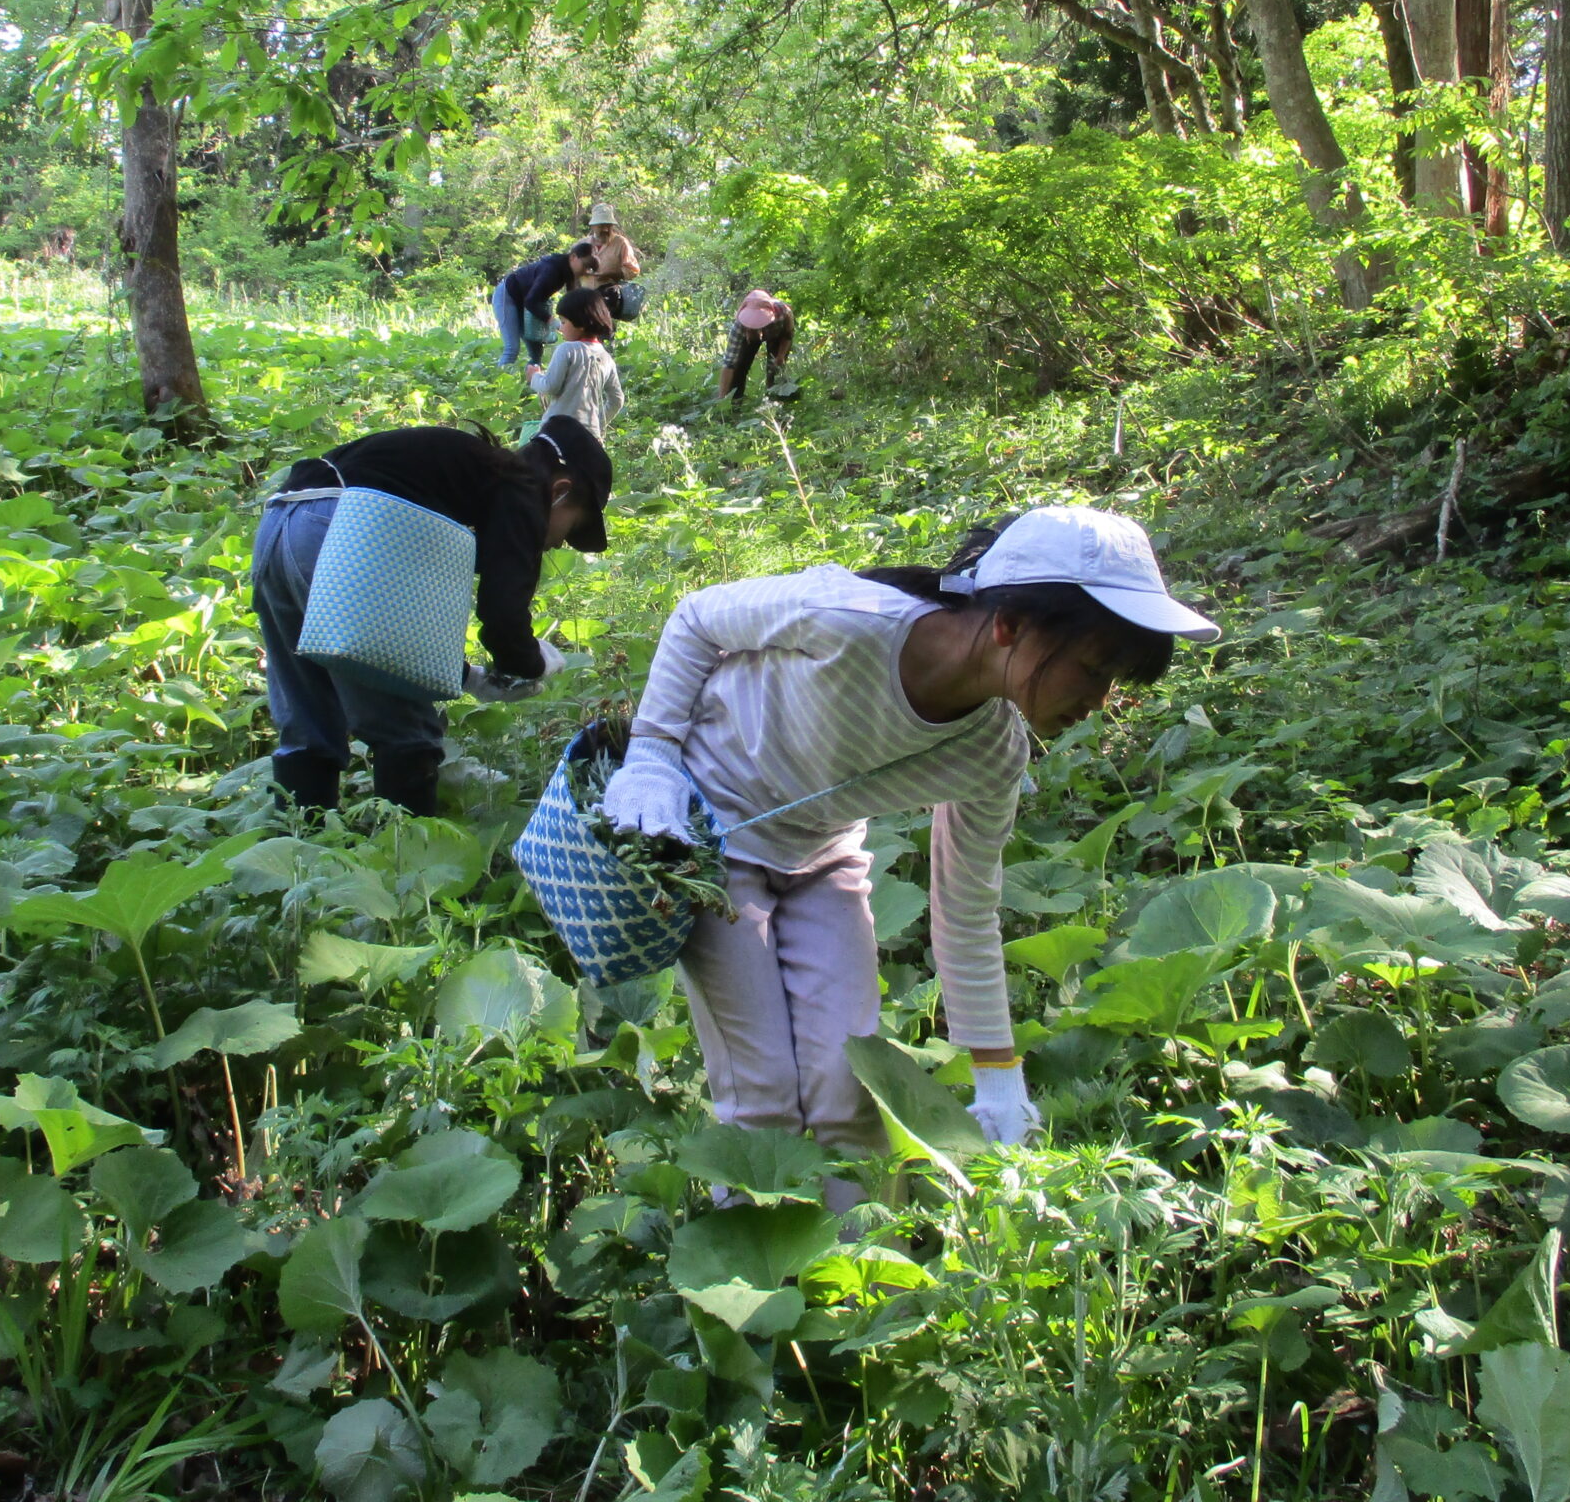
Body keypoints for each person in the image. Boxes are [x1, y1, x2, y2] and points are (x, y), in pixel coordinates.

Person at [598, 507, 1217, 1155]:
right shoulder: (850, 621)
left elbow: (968, 910)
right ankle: (754, 1248)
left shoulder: (992, 755)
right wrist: (651, 758)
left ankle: (854, 1250)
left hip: (821, 852)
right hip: (708, 829)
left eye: (1113, 682)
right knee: (763, 1094)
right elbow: (697, 617)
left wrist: (999, 1074)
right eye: (1092, 669)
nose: (1099, 702)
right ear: (1010, 624)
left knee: (854, 1091)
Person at [253, 416, 613, 816]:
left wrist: (472, 678)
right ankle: (406, 857)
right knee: (407, 731)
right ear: (561, 491)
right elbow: (503, 615)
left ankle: (301, 845)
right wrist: (531, 663)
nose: (560, 541)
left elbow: (400, 645)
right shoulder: (524, 489)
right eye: (572, 526)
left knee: (309, 718)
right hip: (335, 528)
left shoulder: (461, 474)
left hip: (281, 523)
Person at [529, 287, 625, 440]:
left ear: (581, 323)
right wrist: (597, 423)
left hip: (556, 431)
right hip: (590, 435)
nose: (561, 327)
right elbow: (617, 399)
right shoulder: (606, 358)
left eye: (563, 322)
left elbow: (550, 386)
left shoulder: (566, 349)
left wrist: (534, 377)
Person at [494, 241, 595, 368]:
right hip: (508, 296)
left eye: (589, 268)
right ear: (573, 257)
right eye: (585, 265)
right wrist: (555, 323)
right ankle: (498, 384)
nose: (586, 271)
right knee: (512, 348)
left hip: (526, 302)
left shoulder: (568, 272)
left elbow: (571, 300)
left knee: (536, 351)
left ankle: (533, 381)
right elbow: (531, 302)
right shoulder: (552, 271)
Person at [718, 289, 794, 400]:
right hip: (748, 337)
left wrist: (781, 356)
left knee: (775, 369)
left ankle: (774, 402)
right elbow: (729, 363)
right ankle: (735, 403)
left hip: (777, 334)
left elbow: (788, 335)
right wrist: (722, 398)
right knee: (739, 366)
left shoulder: (784, 312)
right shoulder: (740, 326)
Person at [585, 202, 644, 328]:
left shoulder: (620, 243)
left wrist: (614, 272)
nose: (606, 229)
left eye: (609, 226)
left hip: (608, 295)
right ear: (593, 226)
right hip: (584, 297)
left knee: (602, 328)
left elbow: (633, 269)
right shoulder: (582, 245)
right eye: (602, 226)